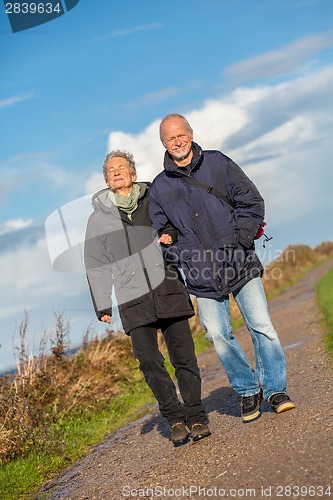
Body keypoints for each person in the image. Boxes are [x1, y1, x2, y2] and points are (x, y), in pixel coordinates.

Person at [149, 113, 296, 422]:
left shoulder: (218, 162)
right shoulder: (160, 187)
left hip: (239, 260)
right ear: (163, 143)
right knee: (217, 334)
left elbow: (251, 201)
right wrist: (176, 248)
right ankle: (246, 390)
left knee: (262, 327)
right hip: (200, 273)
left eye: (180, 134)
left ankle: (275, 390)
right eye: (169, 138)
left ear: (190, 133)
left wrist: (241, 239)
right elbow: (161, 229)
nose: (177, 141)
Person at [84, 149, 211, 445]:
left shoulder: (154, 198)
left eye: (121, 167)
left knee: (184, 357)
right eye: (111, 170)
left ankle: (196, 415)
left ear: (133, 174)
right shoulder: (98, 219)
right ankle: (175, 418)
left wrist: (169, 234)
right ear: (106, 180)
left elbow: (176, 222)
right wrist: (102, 303)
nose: (116, 172)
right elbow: (95, 262)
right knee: (149, 361)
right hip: (132, 297)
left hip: (167, 286)